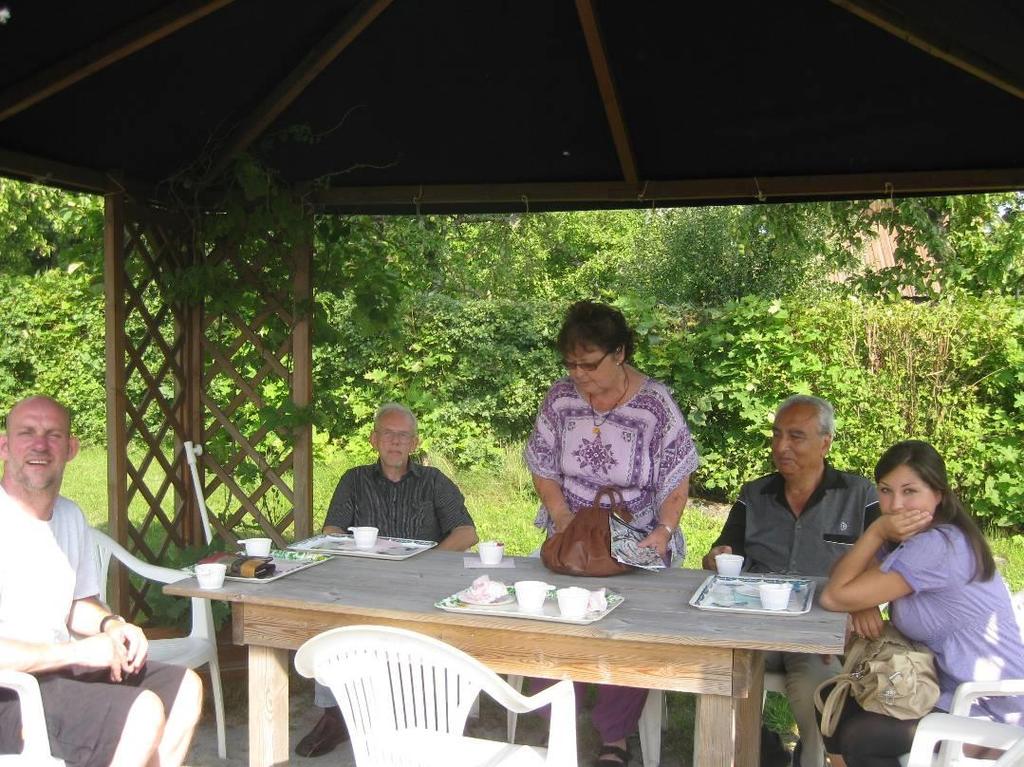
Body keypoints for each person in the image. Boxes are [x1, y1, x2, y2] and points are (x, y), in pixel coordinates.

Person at [524, 300, 698, 767]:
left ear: (619, 353)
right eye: (570, 363)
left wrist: (664, 531)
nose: (578, 374)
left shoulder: (654, 404)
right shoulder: (560, 398)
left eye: (589, 363)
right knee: (552, 617)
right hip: (574, 531)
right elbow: (541, 463)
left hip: (637, 533)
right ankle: (560, 716)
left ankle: (614, 738)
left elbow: (677, 475)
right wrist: (563, 520)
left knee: (630, 630)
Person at [0, 395, 203, 767]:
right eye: (27, 433)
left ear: (71, 448)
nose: (40, 445)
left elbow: (79, 603)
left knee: (184, 689)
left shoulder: (69, 516)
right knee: (141, 713)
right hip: (9, 692)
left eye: (54, 435)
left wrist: (113, 625)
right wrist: (75, 652)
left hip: (59, 672)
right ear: (4, 446)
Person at [818, 440, 1024, 767]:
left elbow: (832, 595)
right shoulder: (910, 537)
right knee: (833, 699)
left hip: (991, 708)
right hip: (939, 687)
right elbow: (841, 577)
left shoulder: (937, 544)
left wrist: (874, 533)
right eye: (885, 490)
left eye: (910, 491)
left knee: (864, 737)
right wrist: (862, 601)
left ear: (938, 494)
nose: (895, 505)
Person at [701, 395, 879, 767]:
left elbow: (888, 562)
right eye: (777, 435)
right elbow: (724, 547)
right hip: (755, 627)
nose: (781, 446)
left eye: (796, 436)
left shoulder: (858, 495)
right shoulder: (755, 494)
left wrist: (862, 599)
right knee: (718, 676)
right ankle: (756, 750)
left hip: (817, 636)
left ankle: (809, 761)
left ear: (825, 442)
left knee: (819, 694)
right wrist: (718, 558)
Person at [295, 402, 478, 758]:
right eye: (388, 434)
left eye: (403, 436)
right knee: (331, 620)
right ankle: (335, 715)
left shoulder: (434, 481)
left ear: (415, 442)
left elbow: (466, 532)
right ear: (374, 439)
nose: (396, 442)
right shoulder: (354, 479)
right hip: (365, 578)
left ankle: (453, 715)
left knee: (459, 619)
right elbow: (332, 530)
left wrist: (423, 561)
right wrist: (358, 553)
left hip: (422, 580)